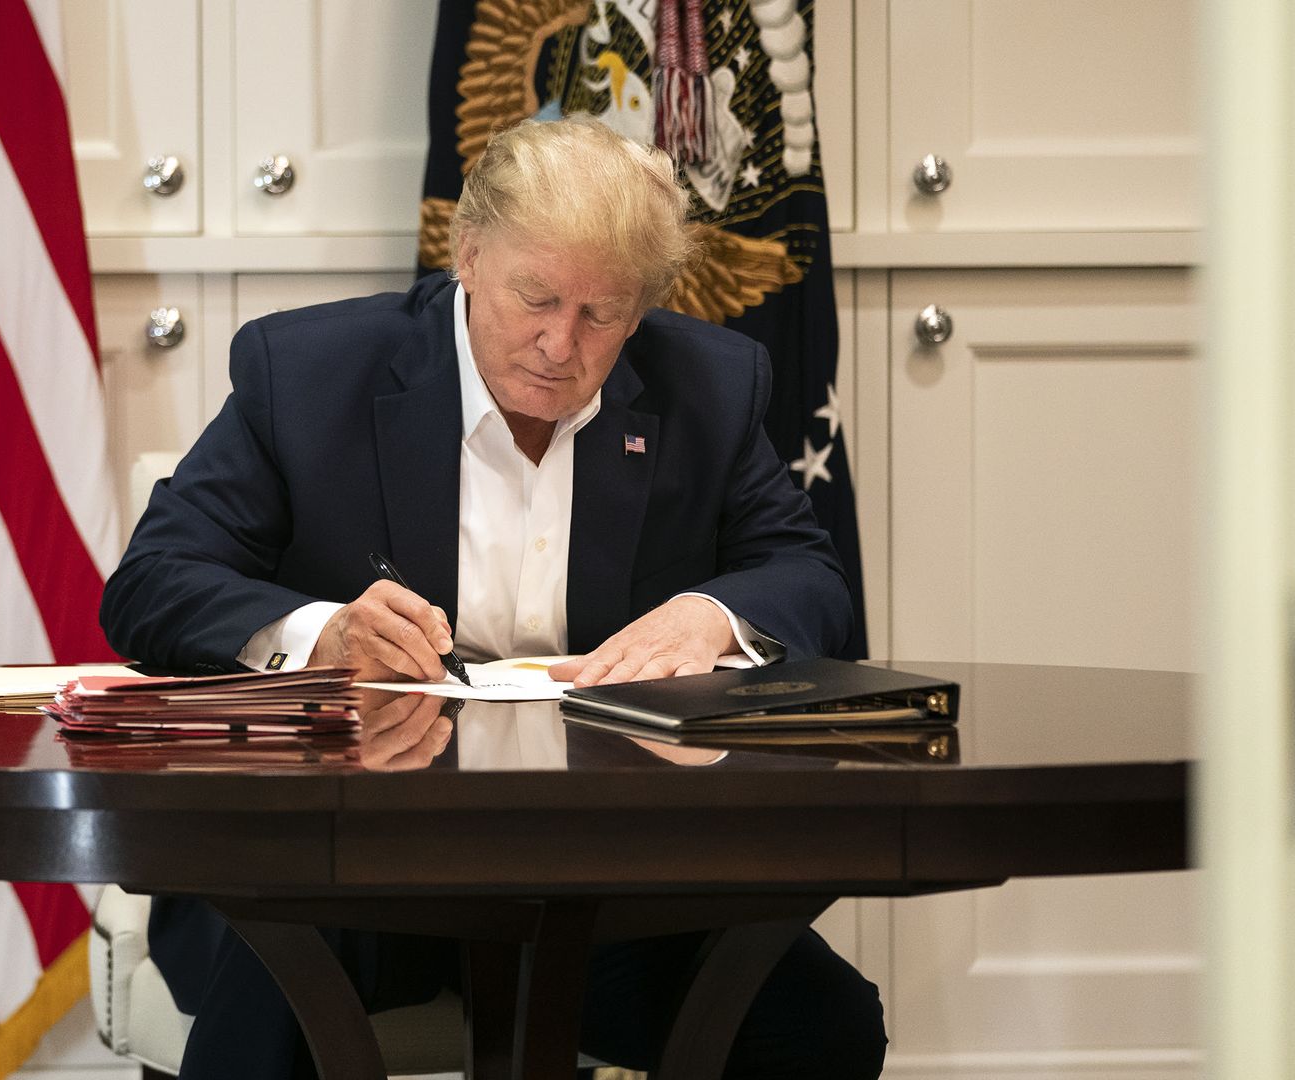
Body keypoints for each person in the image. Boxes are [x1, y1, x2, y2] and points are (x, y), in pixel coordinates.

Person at [100, 116, 883, 1079]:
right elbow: (151, 584)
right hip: (343, 862)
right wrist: (322, 632)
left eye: (602, 313)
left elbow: (809, 580)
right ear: (469, 256)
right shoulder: (306, 374)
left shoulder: (709, 389)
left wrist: (713, 614)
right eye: (537, 298)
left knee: (824, 1024)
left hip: (601, 880)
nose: (562, 343)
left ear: (642, 309)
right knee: (281, 981)